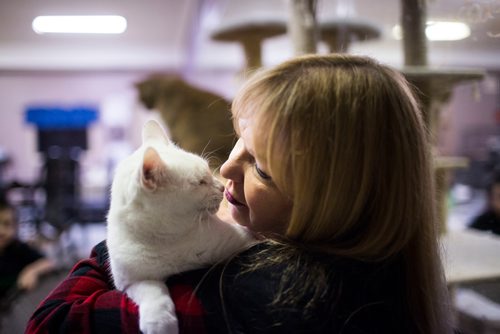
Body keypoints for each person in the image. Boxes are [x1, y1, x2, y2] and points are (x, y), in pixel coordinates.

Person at [26, 54, 453, 333]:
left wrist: (135, 228)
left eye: (262, 168)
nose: (227, 168)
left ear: (332, 203)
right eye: (239, 140)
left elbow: (49, 322)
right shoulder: (391, 275)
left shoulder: (256, 294)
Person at [0, 196, 55, 307]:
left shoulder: (18, 248)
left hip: (13, 305)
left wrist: (31, 271)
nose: (1, 231)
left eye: (6, 224)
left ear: (15, 226)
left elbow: (48, 262)